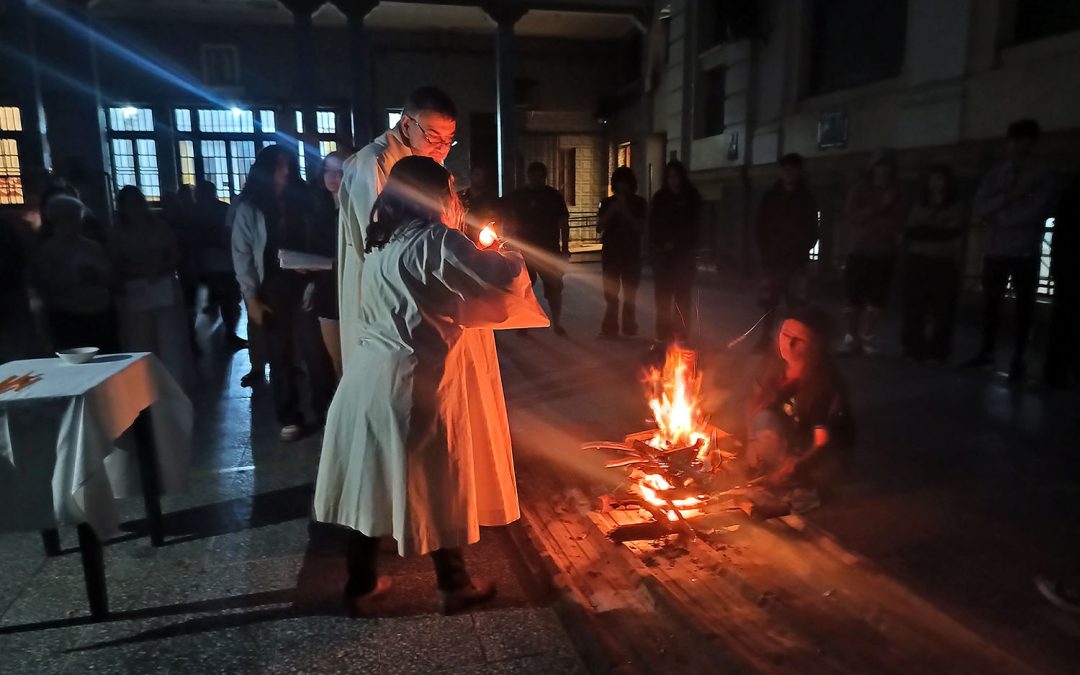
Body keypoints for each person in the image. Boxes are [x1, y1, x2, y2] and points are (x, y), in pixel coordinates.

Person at [314, 157, 545, 616]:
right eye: (453, 193)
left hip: (367, 380)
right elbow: (501, 280)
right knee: (439, 481)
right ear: (437, 197)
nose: (457, 202)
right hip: (412, 385)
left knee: (371, 480)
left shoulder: (382, 243)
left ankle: (360, 584)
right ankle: (454, 585)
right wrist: (502, 251)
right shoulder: (434, 241)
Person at [338, 86, 457, 371]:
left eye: (449, 140)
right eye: (433, 136)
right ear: (406, 124)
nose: (441, 148)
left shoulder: (427, 164)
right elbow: (380, 240)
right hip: (387, 287)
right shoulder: (376, 163)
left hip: (418, 281)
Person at [231, 145, 335, 441]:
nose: (285, 172)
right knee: (281, 354)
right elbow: (242, 256)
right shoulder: (250, 208)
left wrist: (314, 274)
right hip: (272, 288)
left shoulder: (303, 202)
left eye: (288, 165)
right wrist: (251, 297)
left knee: (316, 352)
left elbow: (316, 242)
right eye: (279, 167)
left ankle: (325, 410)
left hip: (305, 282)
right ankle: (289, 415)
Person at [965, 119, 1057, 381]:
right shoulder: (996, 174)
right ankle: (987, 351)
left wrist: (1000, 215)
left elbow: (1036, 211)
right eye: (1015, 140)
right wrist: (1008, 199)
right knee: (990, 304)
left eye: (1025, 140)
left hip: (1024, 252)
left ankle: (1019, 357)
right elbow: (980, 206)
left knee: (1024, 309)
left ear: (1033, 143)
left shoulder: (1042, 175)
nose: (1018, 145)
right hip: (995, 250)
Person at [746, 308, 854, 497]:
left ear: (815, 345)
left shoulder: (823, 385)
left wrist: (796, 465)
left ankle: (796, 478)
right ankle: (778, 469)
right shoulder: (774, 366)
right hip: (790, 435)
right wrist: (751, 441)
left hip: (819, 451)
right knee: (763, 419)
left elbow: (822, 443)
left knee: (812, 482)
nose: (789, 343)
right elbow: (756, 407)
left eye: (800, 340)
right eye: (785, 334)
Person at [111, 186, 194, 389]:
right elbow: (113, 261)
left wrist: (159, 269)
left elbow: (174, 253)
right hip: (134, 290)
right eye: (129, 204)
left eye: (136, 203)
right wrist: (134, 271)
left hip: (162, 285)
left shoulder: (158, 226)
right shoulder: (116, 232)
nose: (134, 208)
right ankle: (144, 387)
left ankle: (173, 385)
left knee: (170, 340)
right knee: (140, 341)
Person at [838, 149, 909, 356]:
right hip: (859, 250)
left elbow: (899, 220)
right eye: (880, 165)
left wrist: (883, 224)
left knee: (876, 299)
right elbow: (851, 215)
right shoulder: (860, 189)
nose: (883, 170)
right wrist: (878, 207)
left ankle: (868, 337)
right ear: (872, 168)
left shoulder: (897, 193)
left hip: (884, 252)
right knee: (853, 296)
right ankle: (851, 337)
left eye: (887, 166)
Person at [30, 195, 117, 352]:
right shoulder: (47, 250)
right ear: (56, 219)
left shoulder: (93, 247)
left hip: (99, 313)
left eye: (77, 217)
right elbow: (45, 284)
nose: (76, 221)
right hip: (68, 317)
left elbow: (110, 277)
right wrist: (73, 278)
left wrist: (97, 275)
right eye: (70, 217)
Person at [900, 166, 968, 363]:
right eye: (933, 178)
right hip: (918, 260)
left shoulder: (955, 205)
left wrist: (926, 230)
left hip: (943, 262)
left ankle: (938, 351)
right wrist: (935, 230)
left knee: (943, 309)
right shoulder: (919, 204)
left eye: (940, 178)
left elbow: (952, 233)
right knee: (914, 307)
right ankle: (913, 348)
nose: (936, 183)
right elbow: (911, 231)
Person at [754, 153, 818, 347]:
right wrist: (766, 251)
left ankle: (792, 342)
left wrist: (802, 249)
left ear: (799, 172)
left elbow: (812, 229)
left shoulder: (806, 199)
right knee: (769, 303)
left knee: (795, 305)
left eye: (792, 169)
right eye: (785, 169)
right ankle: (765, 338)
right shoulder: (771, 197)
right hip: (772, 260)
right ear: (780, 172)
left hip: (796, 261)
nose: (788, 173)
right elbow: (760, 226)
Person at [504, 161, 571, 335]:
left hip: (548, 249)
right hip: (524, 250)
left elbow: (564, 222)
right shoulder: (519, 196)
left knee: (554, 288)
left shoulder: (553, 196)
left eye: (539, 177)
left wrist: (565, 247)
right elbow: (505, 215)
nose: (536, 180)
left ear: (544, 177)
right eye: (533, 176)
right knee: (524, 289)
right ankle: (523, 324)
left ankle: (556, 323)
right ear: (528, 176)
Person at [309, 149, 355, 379]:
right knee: (337, 361)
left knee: (353, 358)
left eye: (339, 172)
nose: (332, 177)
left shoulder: (359, 210)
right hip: (327, 289)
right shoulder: (318, 210)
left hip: (354, 290)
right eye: (327, 170)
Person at [648, 160, 701, 343]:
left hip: (683, 257)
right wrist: (661, 245)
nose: (674, 181)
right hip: (663, 258)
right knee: (663, 298)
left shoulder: (691, 197)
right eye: (670, 177)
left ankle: (681, 335)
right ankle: (663, 335)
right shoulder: (660, 198)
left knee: (683, 298)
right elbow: (653, 226)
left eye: (676, 176)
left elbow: (695, 226)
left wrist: (682, 244)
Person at [193, 180, 245, 350]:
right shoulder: (221, 209)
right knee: (224, 300)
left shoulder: (202, 211)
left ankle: (228, 333)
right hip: (215, 261)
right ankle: (227, 334)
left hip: (217, 261)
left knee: (228, 300)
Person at [598, 166, 647, 338]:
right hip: (611, 252)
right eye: (619, 183)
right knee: (611, 293)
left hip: (631, 252)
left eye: (625, 183)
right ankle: (610, 327)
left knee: (630, 292)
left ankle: (629, 326)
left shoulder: (639, 203)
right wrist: (614, 208)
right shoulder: (607, 202)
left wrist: (625, 209)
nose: (622, 186)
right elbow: (599, 227)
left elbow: (640, 228)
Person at [1044, 174, 1080, 388]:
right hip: (1070, 266)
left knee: (1063, 321)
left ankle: (1056, 372)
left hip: (1068, 266)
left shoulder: (1071, 191)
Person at [0, 217, 38, 363]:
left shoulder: (4, 229)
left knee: (16, 353)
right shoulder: (6, 227)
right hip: (12, 298)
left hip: (10, 299)